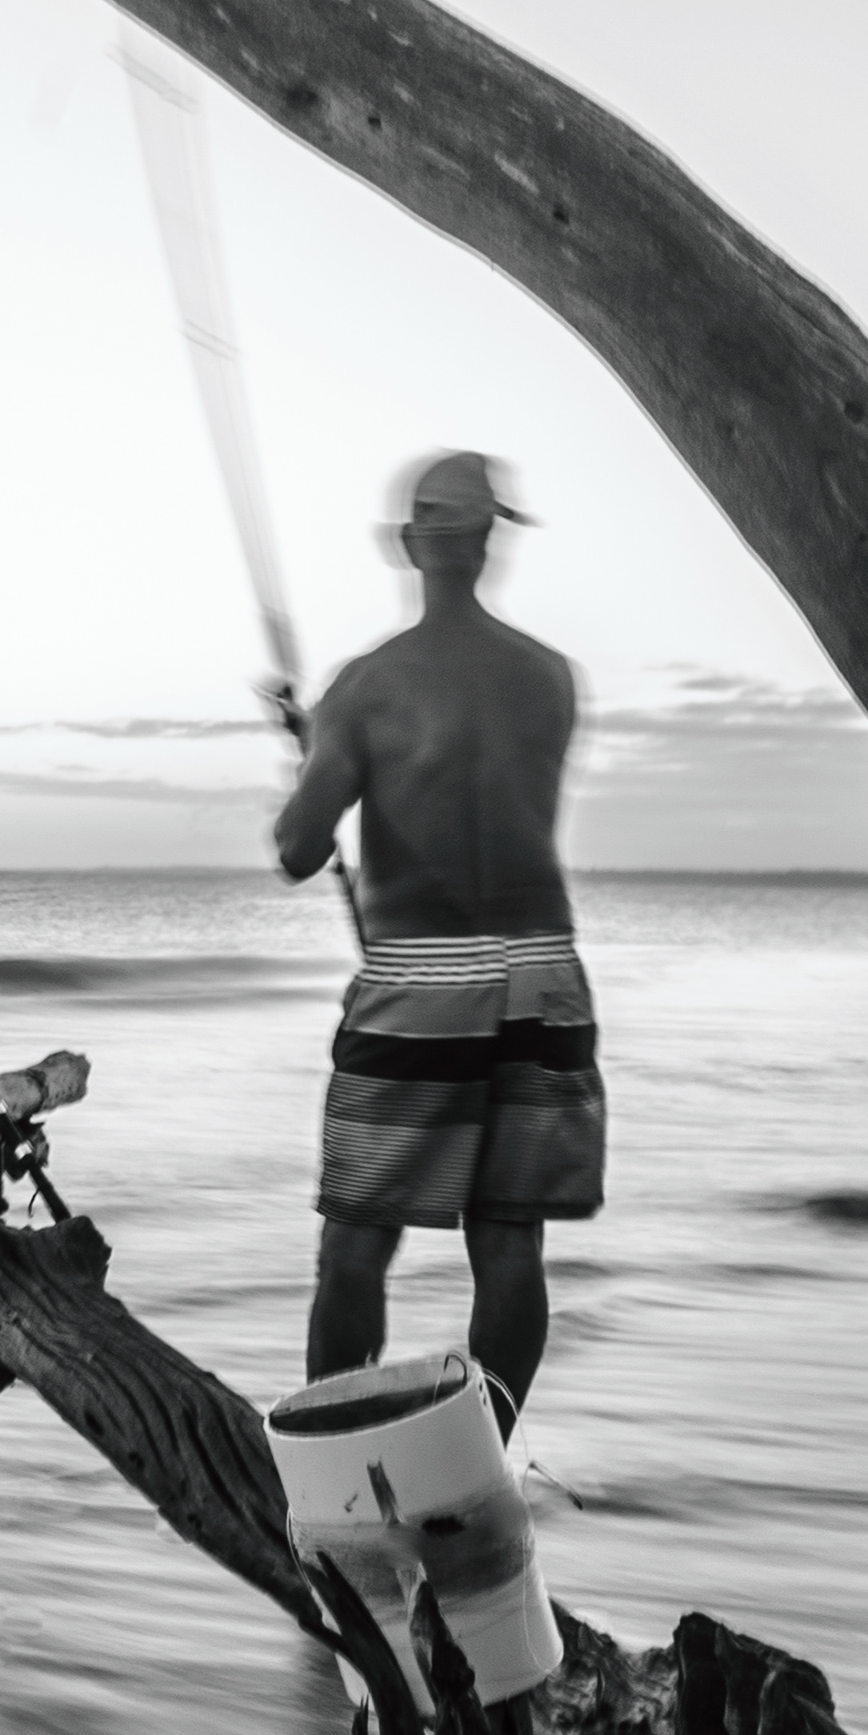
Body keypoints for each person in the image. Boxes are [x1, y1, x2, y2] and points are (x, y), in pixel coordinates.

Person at [267, 451, 601, 1427]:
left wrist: (320, 743)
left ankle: (339, 1460)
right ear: (488, 542)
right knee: (508, 1247)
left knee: (357, 1247)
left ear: (413, 546)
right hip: (543, 975)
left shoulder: (367, 686)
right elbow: (468, 781)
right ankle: (483, 1454)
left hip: (424, 981)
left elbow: (299, 848)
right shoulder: (551, 679)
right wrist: (332, 733)